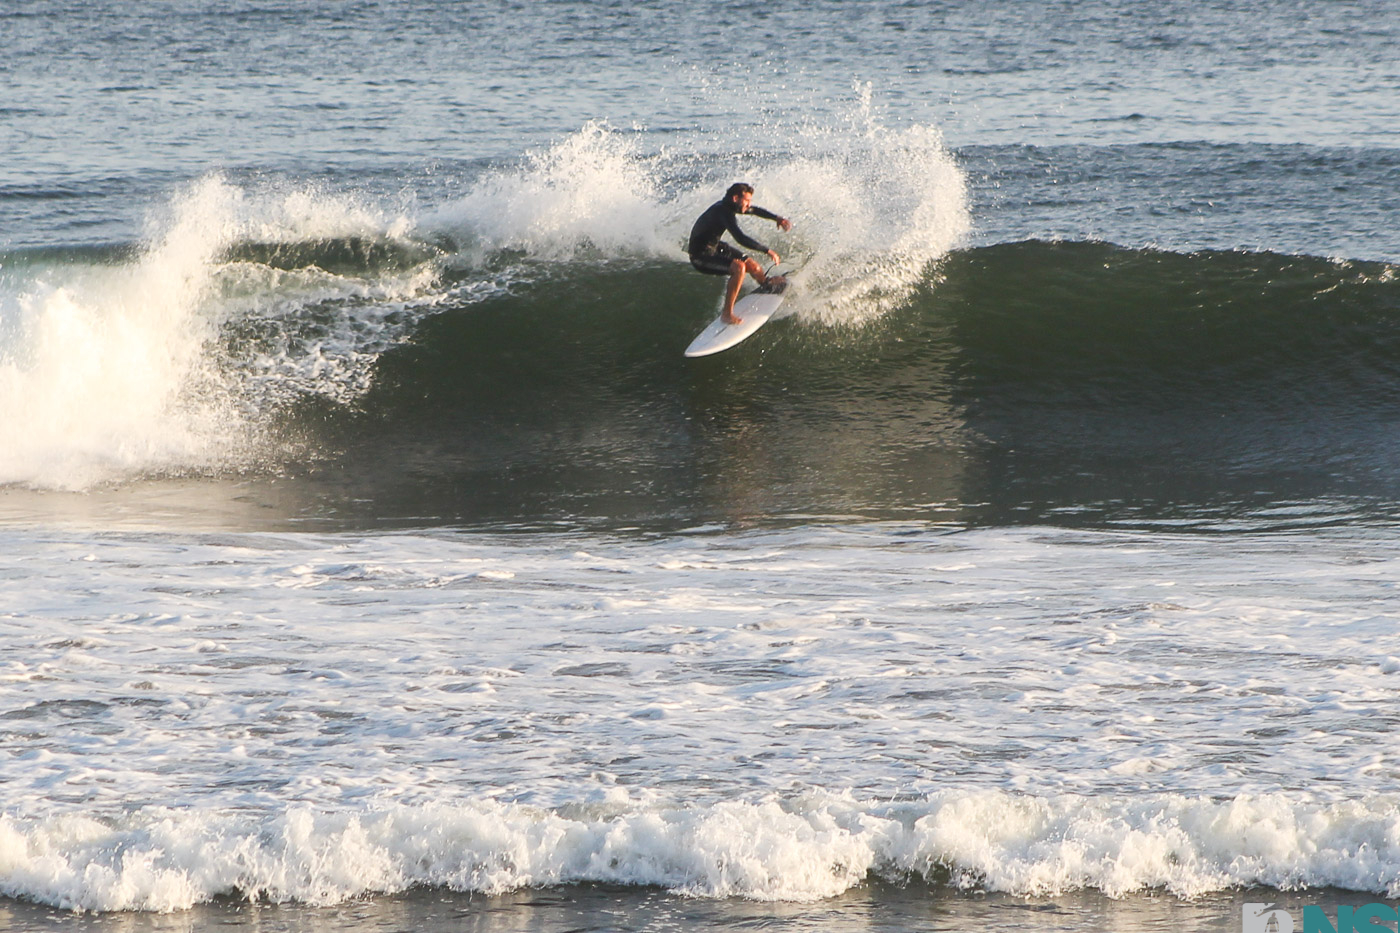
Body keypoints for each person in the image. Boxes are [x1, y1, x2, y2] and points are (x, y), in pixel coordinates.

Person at [688, 183, 793, 325]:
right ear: (736, 198)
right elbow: (740, 238)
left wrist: (777, 218)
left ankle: (766, 283)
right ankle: (727, 314)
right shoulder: (723, 211)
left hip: (715, 247)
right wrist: (767, 251)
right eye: (747, 201)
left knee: (753, 266)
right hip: (700, 256)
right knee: (739, 268)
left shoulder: (731, 205)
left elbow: (754, 210)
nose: (749, 204)